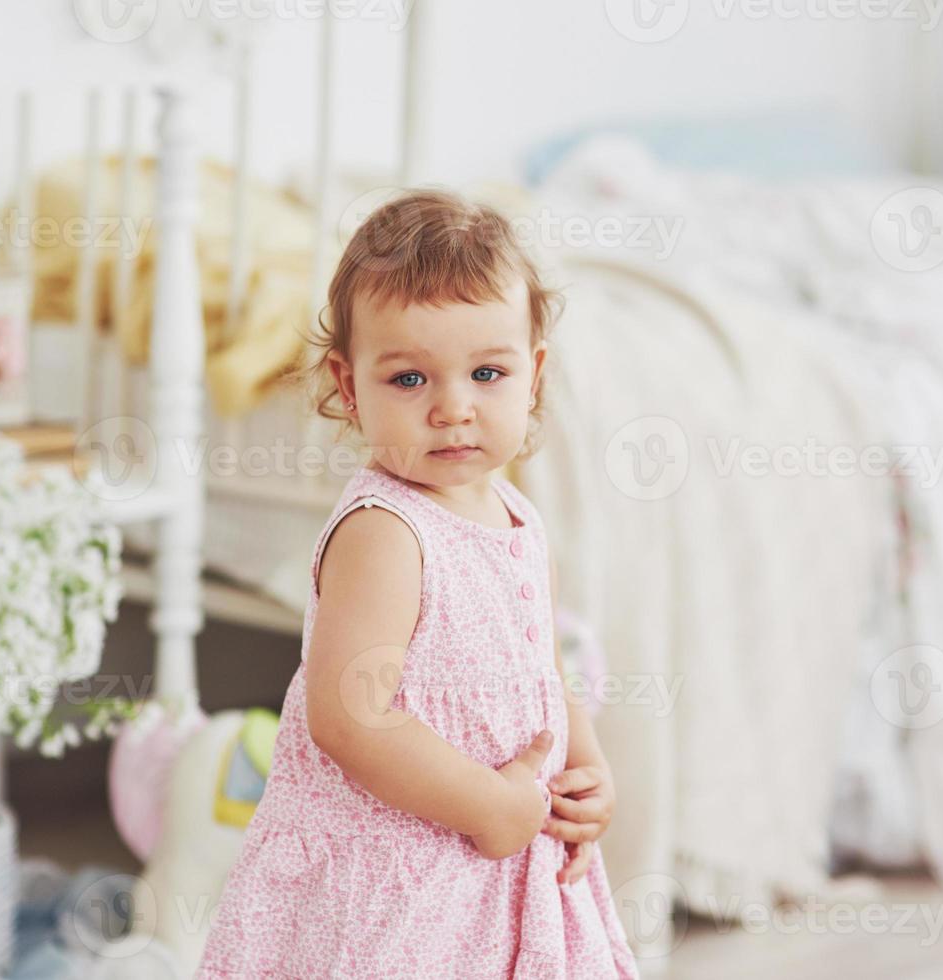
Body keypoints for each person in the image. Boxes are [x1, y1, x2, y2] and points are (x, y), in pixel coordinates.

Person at [196, 188, 639, 978]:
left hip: (497, 856)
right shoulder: (384, 533)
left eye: (487, 373)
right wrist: (490, 806)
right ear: (350, 382)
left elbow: (538, 663)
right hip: (399, 878)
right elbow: (350, 718)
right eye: (409, 381)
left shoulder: (515, 514)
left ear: (532, 375)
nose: (453, 409)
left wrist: (585, 759)